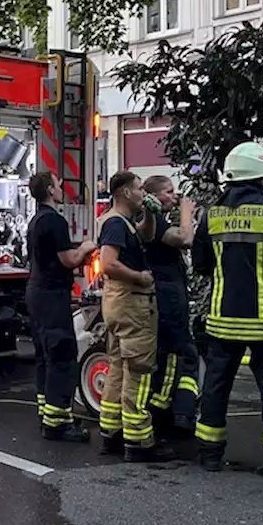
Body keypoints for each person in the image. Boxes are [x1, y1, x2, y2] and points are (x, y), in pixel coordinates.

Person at [191, 142, 263, 478]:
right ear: (262, 176)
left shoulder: (214, 215)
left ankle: (209, 455)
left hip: (223, 321)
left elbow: (201, 264)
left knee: (216, 388)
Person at [96, 171, 174, 462]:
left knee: (117, 367)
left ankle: (111, 432)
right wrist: (140, 277)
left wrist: (152, 214)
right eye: (140, 188)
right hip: (132, 304)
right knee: (138, 371)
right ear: (126, 193)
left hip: (119, 305)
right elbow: (108, 263)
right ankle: (139, 441)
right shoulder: (117, 223)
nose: (144, 193)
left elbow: (146, 234)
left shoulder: (122, 223)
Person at [26, 171, 98, 441]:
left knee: (45, 356)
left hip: (37, 293)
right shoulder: (54, 221)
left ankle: (48, 414)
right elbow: (68, 260)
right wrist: (87, 248)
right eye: (58, 184)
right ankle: (58, 424)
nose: (61, 187)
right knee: (62, 355)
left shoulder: (36, 221)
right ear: (50, 190)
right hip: (52, 295)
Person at [141, 175, 199, 434]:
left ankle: (177, 411)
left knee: (178, 356)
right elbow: (185, 239)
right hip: (167, 300)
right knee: (177, 356)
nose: (174, 197)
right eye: (169, 192)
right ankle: (164, 414)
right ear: (152, 196)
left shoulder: (154, 221)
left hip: (168, 296)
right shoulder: (154, 224)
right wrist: (187, 212)